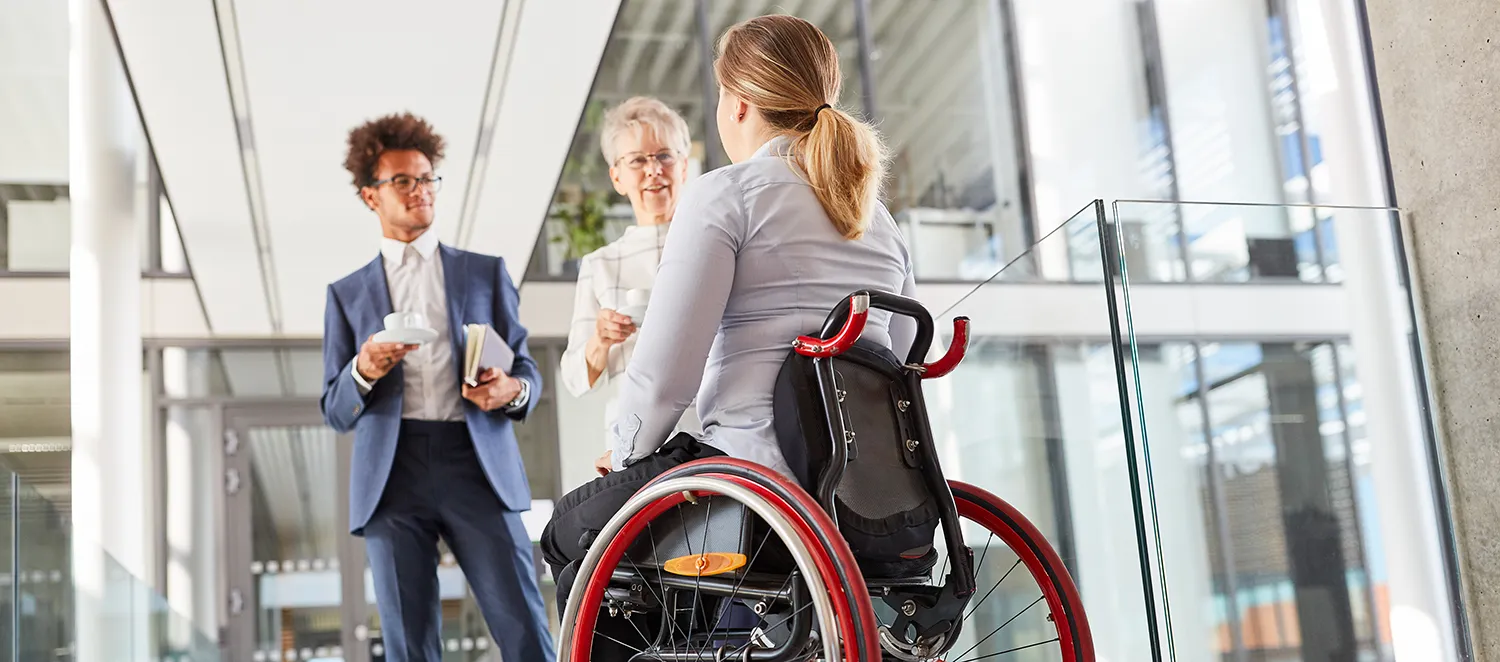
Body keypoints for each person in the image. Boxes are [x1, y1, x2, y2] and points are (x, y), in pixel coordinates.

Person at [540, 13, 919, 647]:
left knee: (569, 531)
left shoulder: (727, 195)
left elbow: (665, 376)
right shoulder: (875, 215)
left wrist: (627, 460)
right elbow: (898, 354)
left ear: (737, 103)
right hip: (872, 493)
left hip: (757, 482)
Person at [320, 112, 553, 662]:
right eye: (402, 180)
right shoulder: (345, 295)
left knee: (523, 625)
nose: (419, 191)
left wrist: (510, 391)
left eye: (427, 179)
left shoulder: (485, 273)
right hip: (391, 475)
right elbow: (334, 407)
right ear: (369, 197)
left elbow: (528, 371)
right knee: (410, 644)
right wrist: (366, 369)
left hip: (473, 461)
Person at [559, 96, 702, 443]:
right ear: (617, 177)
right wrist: (600, 340)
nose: (653, 170)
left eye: (664, 156)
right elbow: (575, 378)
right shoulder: (599, 265)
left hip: (708, 429)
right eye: (637, 160)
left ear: (683, 168)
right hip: (632, 439)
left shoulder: (712, 244)